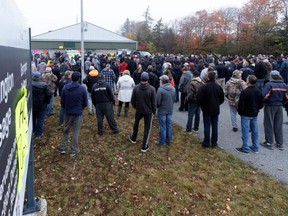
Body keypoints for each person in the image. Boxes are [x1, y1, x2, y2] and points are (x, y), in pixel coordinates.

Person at [59, 72, 88, 157]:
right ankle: (73, 149)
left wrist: (66, 107)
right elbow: (85, 102)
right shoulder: (82, 88)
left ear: (71, 78)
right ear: (79, 78)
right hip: (78, 112)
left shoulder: (65, 87)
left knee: (66, 129)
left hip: (68, 112)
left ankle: (63, 148)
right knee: (76, 131)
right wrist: (81, 108)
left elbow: (62, 101)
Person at [129, 72, 156, 152]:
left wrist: (136, 107)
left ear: (141, 78)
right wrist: (154, 112)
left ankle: (133, 138)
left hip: (139, 110)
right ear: (148, 79)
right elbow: (154, 103)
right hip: (148, 111)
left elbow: (132, 101)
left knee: (136, 124)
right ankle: (144, 146)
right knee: (147, 128)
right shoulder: (152, 89)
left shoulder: (136, 88)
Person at [236, 75, 263, 154]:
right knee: (255, 131)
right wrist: (257, 109)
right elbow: (261, 104)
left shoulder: (245, 92)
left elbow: (241, 104)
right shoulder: (258, 91)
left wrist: (240, 112)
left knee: (245, 131)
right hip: (254, 113)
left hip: (246, 114)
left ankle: (245, 148)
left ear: (248, 81)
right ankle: (255, 147)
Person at [261, 70, 288, 151]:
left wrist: (264, 102)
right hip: (279, 106)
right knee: (278, 124)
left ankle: (269, 142)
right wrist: (282, 103)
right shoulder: (283, 85)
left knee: (268, 123)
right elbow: (286, 97)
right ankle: (279, 143)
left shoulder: (269, 84)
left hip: (270, 105)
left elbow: (264, 95)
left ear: (271, 76)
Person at [197, 71, 224, 148]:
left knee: (207, 125)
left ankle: (206, 142)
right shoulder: (218, 87)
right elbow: (222, 99)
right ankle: (214, 142)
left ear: (208, 77)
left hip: (206, 109)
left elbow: (199, 99)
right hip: (215, 108)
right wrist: (217, 104)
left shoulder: (204, 87)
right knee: (215, 125)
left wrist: (202, 106)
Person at [32, 71, 52, 138]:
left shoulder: (30, 84)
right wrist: (47, 102)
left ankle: (33, 131)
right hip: (42, 105)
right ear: (40, 77)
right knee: (40, 119)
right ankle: (39, 133)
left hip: (32, 105)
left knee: (33, 119)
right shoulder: (44, 85)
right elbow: (49, 94)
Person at [156, 75, 175, 145]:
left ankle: (162, 141)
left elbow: (157, 101)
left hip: (162, 110)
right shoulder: (173, 89)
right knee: (169, 125)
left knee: (162, 126)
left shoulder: (160, 90)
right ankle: (169, 140)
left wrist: (157, 106)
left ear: (162, 81)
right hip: (170, 109)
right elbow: (173, 99)